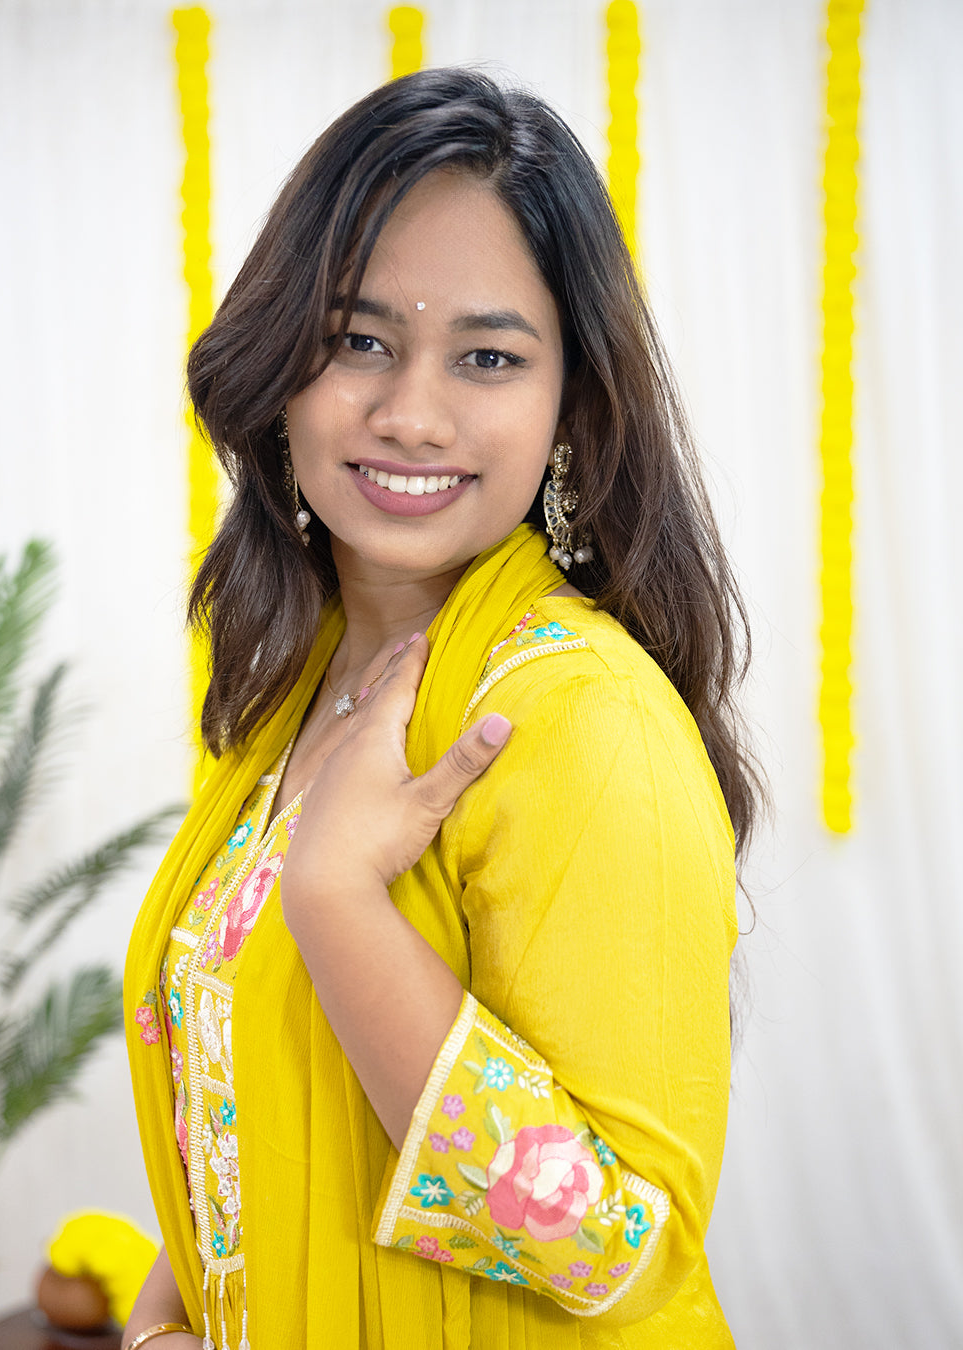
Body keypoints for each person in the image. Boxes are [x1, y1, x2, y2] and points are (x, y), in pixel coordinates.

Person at [122, 66, 759, 1350]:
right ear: (282, 372)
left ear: (570, 406)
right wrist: (156, 1327)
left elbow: (615, 1249)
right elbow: (228, 1092)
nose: (412, 414)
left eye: (486, 356)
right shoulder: (284, 697)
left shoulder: (581, 725)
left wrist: (342, 904)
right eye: (361, 341)